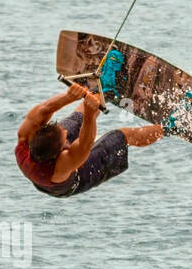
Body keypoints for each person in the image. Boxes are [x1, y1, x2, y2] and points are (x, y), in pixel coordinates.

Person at [15, 83, 164, 198]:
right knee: (119, 136)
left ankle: (104, 88)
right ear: (61, 151)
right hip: (76, 180)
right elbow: (86, 142)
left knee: (78, 116)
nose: (65, 131)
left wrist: (69, 96)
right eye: (64, 137)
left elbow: (44, 109)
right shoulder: (61, 166)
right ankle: (169, 126)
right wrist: (90, 114)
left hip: (46, 154)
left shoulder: (24, 137)